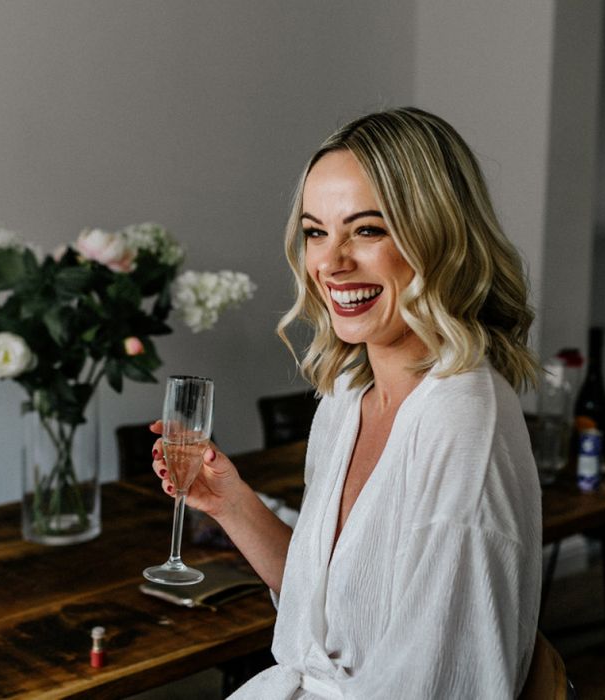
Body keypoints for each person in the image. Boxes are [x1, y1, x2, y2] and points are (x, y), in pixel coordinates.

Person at [151, 107, 542, 699]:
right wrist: (229, 502)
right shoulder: (346, 396)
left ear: (439, 238)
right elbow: (329, 610)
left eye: (367, 229)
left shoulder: (462, 425)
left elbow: (440, 682)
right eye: (315, 231)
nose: (330, 263)